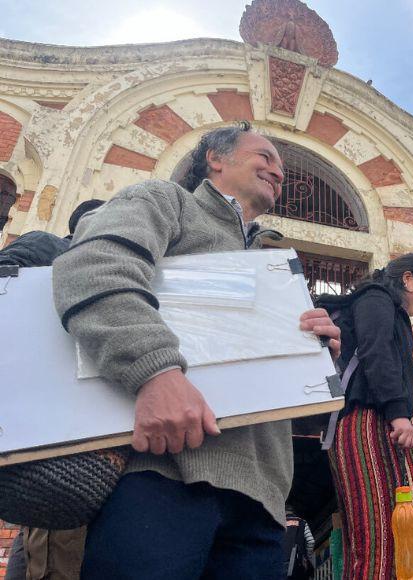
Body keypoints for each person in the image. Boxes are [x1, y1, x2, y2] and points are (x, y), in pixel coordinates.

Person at [52, 122, 341, 579]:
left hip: (263, 499)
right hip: (163, 473)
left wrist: (315, 351)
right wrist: (154, 372)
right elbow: (94, 266)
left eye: (283, 168)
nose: (278, 171)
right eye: (264, 156)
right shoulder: (166, 202)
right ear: (216, 159)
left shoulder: (273, 263)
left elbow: (286, 397)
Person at [1, 198, 104, 580]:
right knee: (55, 533)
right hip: (52, 420)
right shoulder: (49, 248)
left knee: (44, 533)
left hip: (68, 420)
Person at [327, 253, 413, 580]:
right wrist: (398, 414)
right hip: (368, 421)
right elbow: (375, 352)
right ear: (407, 279)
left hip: (387, 422)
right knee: (378, 527)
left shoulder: (392, 310)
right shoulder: (376, 298)